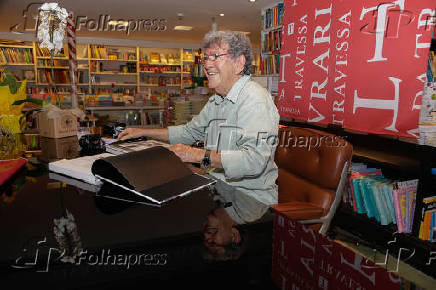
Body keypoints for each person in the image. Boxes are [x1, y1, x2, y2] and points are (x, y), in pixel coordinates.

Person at [118, 30, 279, 226]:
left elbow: (254, 161)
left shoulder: (255, 100)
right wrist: (142, 131)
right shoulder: (217, 100)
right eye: (206, 58)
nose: (207, 64)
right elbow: (189, 133)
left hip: (251, 205)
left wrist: (196, 155)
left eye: (216, 57)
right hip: (221, 190)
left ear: (239, 63)